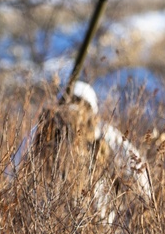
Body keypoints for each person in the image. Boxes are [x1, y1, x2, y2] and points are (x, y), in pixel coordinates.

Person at [9, 80, 153, 224]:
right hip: (94, 215)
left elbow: (12, 169)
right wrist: (145, 202)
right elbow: (136, 166)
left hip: (45, 213)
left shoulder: (43, 128)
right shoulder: (102, 131)